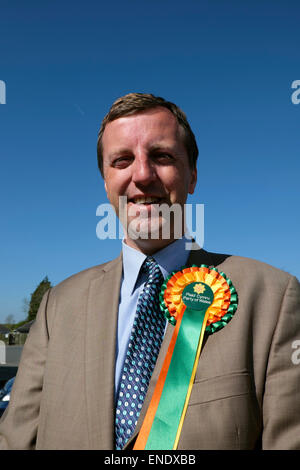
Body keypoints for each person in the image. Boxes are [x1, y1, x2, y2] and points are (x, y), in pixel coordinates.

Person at [0, 93, 300, 450]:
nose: (141, 175)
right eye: (122, 160)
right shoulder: (56, 307)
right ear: (106, 183)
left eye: (162, 156)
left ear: (192, 177)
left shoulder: (273, 298)